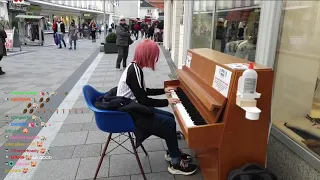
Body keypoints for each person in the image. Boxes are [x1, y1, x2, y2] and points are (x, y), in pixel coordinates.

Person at [116, 40, 198, 175]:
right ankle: (175, 163)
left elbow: (144, 91)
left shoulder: (135, 68)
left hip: (135, 108)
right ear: (147, 55)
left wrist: (164, 90)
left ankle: (173, 152)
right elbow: (143, 99)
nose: (155, 59)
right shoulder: (134, 71)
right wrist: (167, 102)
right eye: (153, 56)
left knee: (170, 117)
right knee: (170, 123)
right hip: (131, 114)